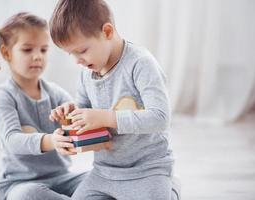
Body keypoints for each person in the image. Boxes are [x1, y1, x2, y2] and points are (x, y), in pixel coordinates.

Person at [49, 0, 181, 200]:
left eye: (82, 51)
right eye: (72, 54)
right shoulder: (87, 72)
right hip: (104, 173)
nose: (78, 60)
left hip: (147, 171)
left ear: (108, 32)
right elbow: (88, 114)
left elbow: (160, 118)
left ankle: (170, 189)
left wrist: (107, 118)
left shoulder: (141, 63)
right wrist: (72, 116)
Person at [0, 12, 86, 200]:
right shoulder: (4, 96)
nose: (37, 56)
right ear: (6, 53)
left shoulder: (56, 93)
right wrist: (51, 140)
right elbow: (12, 140)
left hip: (62, 177)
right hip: (21, 183)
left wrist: (72, 117)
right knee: (28, 195)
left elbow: (78, 122)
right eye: (28, 50)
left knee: (99, 180)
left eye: (44, 50)